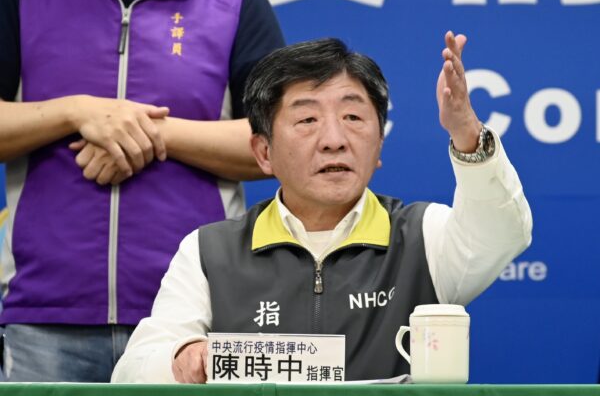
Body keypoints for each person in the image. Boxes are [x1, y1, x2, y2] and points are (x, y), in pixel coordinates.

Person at [111, 33, 533, 383]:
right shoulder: (210, 251)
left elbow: (501, 231)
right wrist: (184, 358)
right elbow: (133, 371)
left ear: (379, 144)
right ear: (263, 152)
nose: (334, 138)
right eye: (307, 120)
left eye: (353, 117)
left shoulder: (423, 236)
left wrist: (466, 133)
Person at [0, 0, 284, 382]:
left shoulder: (235, 4)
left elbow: (280, 137)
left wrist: (147, 131)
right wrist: (76, 113)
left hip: (195, 315)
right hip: (43, 314)